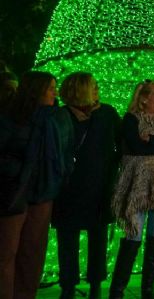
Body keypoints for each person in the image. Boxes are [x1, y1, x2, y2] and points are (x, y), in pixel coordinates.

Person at [0, 71, 73, 299]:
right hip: (13, 192)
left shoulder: (58, 118)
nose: (54, 92)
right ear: (36, 90)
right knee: (7, 252)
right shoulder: (11, 117)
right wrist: (20, 169)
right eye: (50, 88)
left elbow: (66, 152)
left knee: (32, 253)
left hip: (43, 193)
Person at [52, 73, 122, 299]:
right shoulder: (62, 116)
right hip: (69, 189)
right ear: (81, 90)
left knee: (98, 239)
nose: (97, 89)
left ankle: (95, 285)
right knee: (67, 240)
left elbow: (121, 144)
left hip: (99, 188)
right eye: (93, 86)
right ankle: (68, 285)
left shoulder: (107, 114)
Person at [110, 80, 154, 299]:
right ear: (144, 98)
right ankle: (118, 289)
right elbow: (136, 146)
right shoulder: (131, 120)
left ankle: (148, 289)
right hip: (138, 186)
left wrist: (153, 141)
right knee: (133, 234)